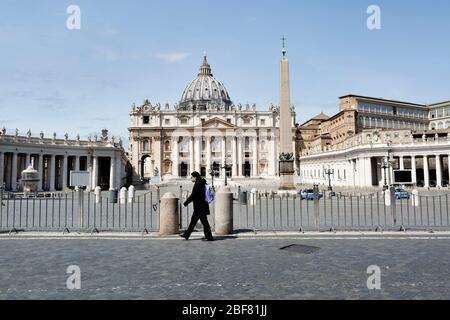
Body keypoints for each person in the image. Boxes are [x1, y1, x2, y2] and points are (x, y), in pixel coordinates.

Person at [181, 171, 214, 241]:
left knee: (204, 223)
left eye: (192, 177)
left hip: (200, 207)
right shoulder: (201, 182)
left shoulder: (198, 183)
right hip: (200, 206)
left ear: (195, 177)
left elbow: (193, 195)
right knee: (194, 222)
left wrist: (185, 203)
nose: (191, 179)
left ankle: (209, 237)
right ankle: (186, 235)